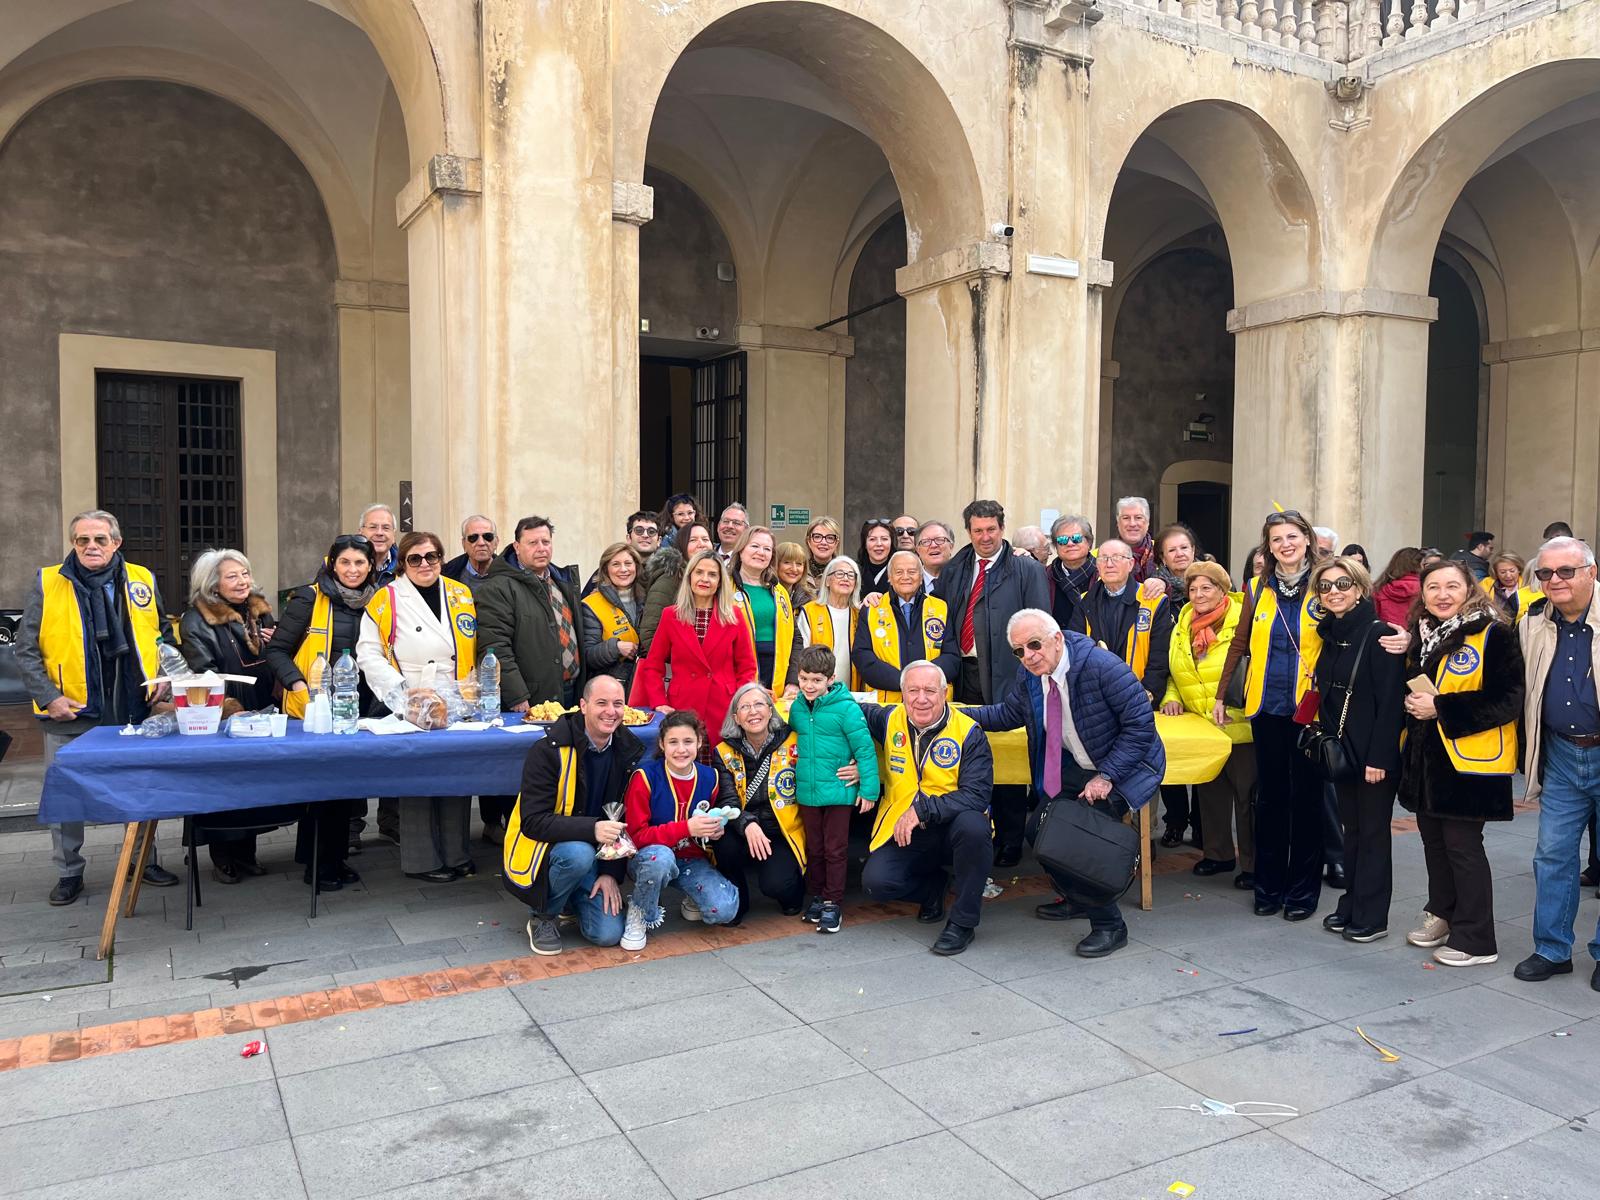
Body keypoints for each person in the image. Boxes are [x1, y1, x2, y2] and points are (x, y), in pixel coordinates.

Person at [970, 610, 1165, 958]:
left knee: (1076, 841)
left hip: (1126, 766)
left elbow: (1141, 728)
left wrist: (1107, 776)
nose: (1028, 656)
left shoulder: (1102, 666)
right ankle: (1078, 899)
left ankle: (1110, 925)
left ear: (1057, 638)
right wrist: (956, 714)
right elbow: (1008, 715)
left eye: (1034, 645)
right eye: (1019, 650)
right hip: (1078, 765)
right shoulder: (1030, 674)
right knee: (1038, 832)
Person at [17, 509, 179, 905]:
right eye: (82, 540)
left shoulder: (141, 578)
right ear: (74, 544)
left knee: (140, 788)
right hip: (71, 708)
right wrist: (49, 697)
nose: (91, 547)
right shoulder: (47, 581)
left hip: (130, 704)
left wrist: (164, 675)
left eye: (99, 540)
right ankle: (69, 871)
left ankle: (143, 861)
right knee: (66, 796)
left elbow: (163, 633)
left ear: (116, 543)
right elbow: (26, 649)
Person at [1399, 558, 1524, 967]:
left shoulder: (1494, 634)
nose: (1442, 595)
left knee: (1464, 849)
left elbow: (1509, 699)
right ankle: (1443, 913)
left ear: (1469, 589)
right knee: (1434, 844)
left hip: (1471, 763)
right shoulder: (1425, 636)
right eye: (1433, 587)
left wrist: (1441, 707)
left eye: (1452, 586)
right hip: (1427, 762)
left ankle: (1476, 939)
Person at [1216, 510, 1327, 920]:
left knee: (1307, 801)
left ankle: (1302, 892)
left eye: (1292, 536)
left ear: (1307, 539)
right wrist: (1221, 693)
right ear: (1268, 546)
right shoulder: (1257, 587)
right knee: (1272, 799)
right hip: (1265, 707)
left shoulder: (1326, 583)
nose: (1285, 544)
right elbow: (1240, 642)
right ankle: (1269, 885)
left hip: (1309, 712)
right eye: (1277, 539)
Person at [355, 530, 477, 882]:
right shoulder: (386, 598)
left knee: (456, 777)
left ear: (441, 558)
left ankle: (456, 852)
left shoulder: (460, 593)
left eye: (432, 557)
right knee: (421, 780)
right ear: (403, 562)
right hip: (412, 697)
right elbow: (368, 652)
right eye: (415, 558)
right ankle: (422, 860)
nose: (425, 564)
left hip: (455, 696)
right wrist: (402, 693)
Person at [935, 500, 1049, 866]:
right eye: (977, 530)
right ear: (968, 531)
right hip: (962, 673)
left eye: (991, 529)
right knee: (964, 755)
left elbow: (1040, 625)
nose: (985, 537)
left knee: (1007, 755)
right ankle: (970, 835)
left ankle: (1011, 839)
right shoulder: (955, 568)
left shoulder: (1025, 569)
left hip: (1007, 674)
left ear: (1002, 528)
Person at [858, 660, 995, 955]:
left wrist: (923, 810)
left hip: (952, 826)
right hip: (905, 827)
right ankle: (933, 889)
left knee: (974, 826)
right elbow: (848, 709)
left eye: (930, 691)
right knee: (876, 883)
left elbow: (977, 795)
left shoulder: (969, 732)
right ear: (902, 693)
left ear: (944, 692)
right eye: (913, 691)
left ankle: (963, 922)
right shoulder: (890, 718)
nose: (921, 699)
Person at [267, 531, 379, 880]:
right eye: (344, 562)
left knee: (344, 789)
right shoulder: (309, 598)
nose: (352, 569)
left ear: (370, 565)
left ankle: (326, 859)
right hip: (313, 709)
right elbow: (276, 650)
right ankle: (322, 867)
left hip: (356, 708)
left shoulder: (376, 601)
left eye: (360, 562)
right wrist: (298, 684)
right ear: (331, 564)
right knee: (324, 789)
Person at [1513, 536, 1600, 988]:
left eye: (1565, 571)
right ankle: (1552, 949)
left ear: (1591, 571)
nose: (1554, 581)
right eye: (1545, 573)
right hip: (1562, 753)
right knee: (1552, 854)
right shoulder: (1532, 622)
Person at [503, 674, 640, 955]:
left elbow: (622, 820)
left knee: (607, 934)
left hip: (597, 854)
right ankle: (543, 915)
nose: (611, 711)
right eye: (601, 703)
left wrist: (610, 873)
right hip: (550, 850)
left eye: (618, 703)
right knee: (577, 855)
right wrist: (592, 829)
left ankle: (570, 895)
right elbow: (532, 822)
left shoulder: (627, 750)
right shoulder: (547, 750)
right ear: (582, 706)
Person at [1307, 556, 1405, 943]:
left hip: (1372, 755)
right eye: (1326, 586)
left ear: (1361, 589)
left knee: (1374, 834)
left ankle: (1372, 915)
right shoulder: (1331, 633)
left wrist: (1379, 758)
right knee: (1353, 832)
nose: (1334, 592)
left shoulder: (1379, 634)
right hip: (1343, 752)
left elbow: (1391, 701)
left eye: (1343, 584)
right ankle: (1351, 903)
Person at [177, 549, 281, 885]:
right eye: (232, 576)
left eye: (245, 574)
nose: (242, 581)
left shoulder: (259, 611)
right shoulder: (196, 619)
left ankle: (246, 855)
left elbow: (276, 654)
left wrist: (277, 641)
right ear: (213, 585)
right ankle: (222, 858)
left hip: (263, 703)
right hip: (223, 709)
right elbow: (201, 673)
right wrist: (231, 710)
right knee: (223, 787)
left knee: (253, 786)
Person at [1160, 562, 1255, 888]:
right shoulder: (1182, 623)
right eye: (1193, 589)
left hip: (1239, 724)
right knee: (1211, 793)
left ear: (1222, 590)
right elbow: (1173, 669)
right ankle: (1217, 855)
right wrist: (1170, 697)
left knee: (1247, 798)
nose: (1199, 595)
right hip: (1202, 726)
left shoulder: (1242, 620)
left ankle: (1253, 865)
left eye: (1207, 588)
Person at [621, 710, 744, 949]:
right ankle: (639, 911)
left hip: (691, 860)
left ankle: (692, 898)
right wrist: (686, 827)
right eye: (673, 742)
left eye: (688, 741)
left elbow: (707, 827)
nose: (681, 750)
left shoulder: (711, 778)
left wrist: (713, 831)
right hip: (649, 858)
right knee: (661, 859)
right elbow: (635, 837)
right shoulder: (645, 777)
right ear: (661, 744)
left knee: (725, 910)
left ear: (699, 742)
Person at [786, 645, 880, 933]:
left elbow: (864, 749)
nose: (809, 685)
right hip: (809, 791)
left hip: (839, 790)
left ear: (830, 678)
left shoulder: (846, 708)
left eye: (816, 680)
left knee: (835, 849)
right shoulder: (798, 708)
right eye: (804, 679)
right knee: (813, 848)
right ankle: (816, 895)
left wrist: (868, 789)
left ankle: (833, 902)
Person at [631, 551, 758, 745]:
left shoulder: (734, 616)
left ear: (720, 582)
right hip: (682, 706)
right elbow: (653, 665)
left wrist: (740, 703)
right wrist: (659, 702)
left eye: (712, 574)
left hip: (723, 707)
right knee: (684, 762)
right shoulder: (670, 615)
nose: (705, 579)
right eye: (699, 572)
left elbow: (747, 667)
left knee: (721, 768)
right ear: (690, 577)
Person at [475, 516, 586, 714]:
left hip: (570, 692)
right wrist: (517, 696)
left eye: (546, 542)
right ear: (517, 547)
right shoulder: (498, 588)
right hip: (531, 699)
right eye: (532, 543)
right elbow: (495, 646)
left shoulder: (562, 581)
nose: (541, 548)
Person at [715, 683, 807, 917]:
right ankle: (738, 899)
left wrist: (856, 767)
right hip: (742, 828)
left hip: (781, 831)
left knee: (779, 888)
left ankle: (793, 884)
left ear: (770, 709)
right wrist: (747, 823)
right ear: (736, 717)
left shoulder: (795, 741)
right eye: (745, 707)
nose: (753, 711)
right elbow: (727, 800)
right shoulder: (723, 752)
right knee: (722, 841)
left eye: (758, 704)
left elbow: (826, 760)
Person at [853, 550, 957, 702]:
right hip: (886, 704)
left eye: (912, 572)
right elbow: (862, 656)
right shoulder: (871, 610)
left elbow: (951, 657)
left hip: (932, 703)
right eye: (899, 572)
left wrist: (923, 680)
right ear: (890, 577)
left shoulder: (940, 608)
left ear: (921, 577)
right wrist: (904, 680)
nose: (906, 577)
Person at [729, 526, 799, 697]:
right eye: (754, 546)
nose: (761, 552)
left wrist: (793, 681)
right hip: (738, 679)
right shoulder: (724, 588)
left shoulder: (780, 591)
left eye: (767, 549)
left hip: (778, 679)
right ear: (741, 549)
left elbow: (795, 637)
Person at [581, 542, 646, 695]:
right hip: (609, 689)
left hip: (644, 685)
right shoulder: (591, 604)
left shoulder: (648, 599)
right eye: (616, 564)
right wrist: (616, 648)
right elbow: (587, 655)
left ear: (636, 567)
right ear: (605, 569)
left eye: (628, 563)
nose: (623, 569)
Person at [641, 522, 712, 652]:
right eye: (693, 540)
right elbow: (649, 635)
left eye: (705, 539)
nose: (701, 544)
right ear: (682, 546)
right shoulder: (669, 578)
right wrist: (682, 660)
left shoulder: (716, 580)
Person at [799, 556, 861, 688]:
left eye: (851, 575)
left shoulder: (860, 613)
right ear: (827, 580)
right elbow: (801, 654)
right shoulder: (810, 611)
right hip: (817, 691)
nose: (845, 578)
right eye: (839, 574)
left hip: (853, 692)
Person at [1046, 514, 1097, 630]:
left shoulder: (1104, 574)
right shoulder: (1045, 576)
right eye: (1062, 540)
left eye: (1076, 538)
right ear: (1055, 546)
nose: (1070, 544)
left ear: (1089, 543)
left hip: (1092, 643)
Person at [1373, 546, 1424, 628]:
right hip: (1415, 636)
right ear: (1419, 566)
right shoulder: (1425, 588)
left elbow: (1375, 618)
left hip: (1387, 636)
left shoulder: (1380, 588)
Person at [442, 515, 499, 585]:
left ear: (496, 542)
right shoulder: (446, 575)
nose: (481, 543)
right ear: (464, 544)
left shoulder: (510, 574)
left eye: (487, 536)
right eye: (473, 538)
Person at [1482, 551, 1537, 621]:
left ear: (1519, 570)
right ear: (1496, 573)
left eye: (1512, 571)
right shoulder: (1486, 584)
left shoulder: (1527, 584)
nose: (1508, 575)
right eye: (1503, 572)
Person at [1152, 524, 1201, 602]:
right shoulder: (1154, 589)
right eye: (1172, 550)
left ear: (1193, 550)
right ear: (1163, 558)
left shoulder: (1212, 579)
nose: (1179, 554)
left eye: (1184, 547)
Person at [1115, 497, 1157, 584]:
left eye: (1138, 517)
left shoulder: (1163, 551)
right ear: (1118, 523)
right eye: (1126, 518)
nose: (1132, 524)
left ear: (1147, 522)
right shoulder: (1100, 556)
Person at [358, 503, 400, 584]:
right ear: (360, 533)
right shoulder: (339, 565)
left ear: (394, 535)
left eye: (386, 528)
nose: (379, 533)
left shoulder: (406, 568)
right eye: (373, 527)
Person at [803, 517, 843, 592]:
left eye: (830, 538)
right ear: (808, 541)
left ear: (836, 543)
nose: (823, 542)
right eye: (817, 537)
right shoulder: (798, 571)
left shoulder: (845, 573)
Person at [856, 517, 895, 593]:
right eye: (872, 539)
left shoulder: (900, 570)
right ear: (865, 544)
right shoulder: (854, 571)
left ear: (891, 543)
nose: (879, 544)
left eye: (884, 539)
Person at [915, 520, 955, 592]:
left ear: (951, 546)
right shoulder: (910, 582)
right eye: (926, 542)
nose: (933, 545)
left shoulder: (964, 579)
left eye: (940, 540)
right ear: (918, 550)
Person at [773, 540, 814, 607]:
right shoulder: (766, 596)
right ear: (775, 564)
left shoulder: (809, 599)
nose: (794, 569)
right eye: (787, 562)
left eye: (799, 564)